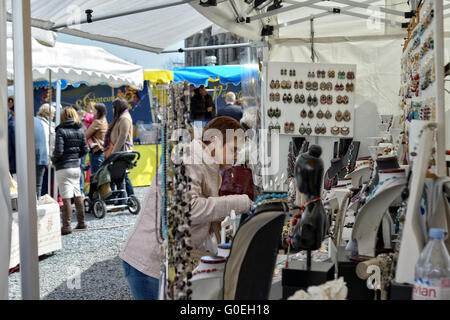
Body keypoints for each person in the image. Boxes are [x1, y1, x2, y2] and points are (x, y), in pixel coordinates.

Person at [119, 116, 252, 300]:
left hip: (164, 261)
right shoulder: (188, 160)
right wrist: (240, 202)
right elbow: (190, 209)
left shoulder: (204, 163)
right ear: (215, 141)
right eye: (233, 149)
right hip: (150, 264)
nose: (236, 156)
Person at [52, 107, 89, 235]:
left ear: (62, 117)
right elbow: (85, 149)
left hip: (64, 167)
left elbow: (58, 151)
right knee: (77, 194)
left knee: (66, 197)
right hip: (76, 167)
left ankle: (67, 226)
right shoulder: (80, 130)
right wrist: (75, 157)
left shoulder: (61, 130)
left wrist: (53, 159)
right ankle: (82, 222)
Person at [7, 104, 49, 198]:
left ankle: (27, 211)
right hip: (41, 158)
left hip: (28, 159)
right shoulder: (38, 121)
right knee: (37, 188)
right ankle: (35, 207)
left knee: (22, 189)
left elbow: (15, 143)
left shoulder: (17, 122)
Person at [107, 98, 135, 200]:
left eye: (114, 107)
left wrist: (114, 152)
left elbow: (122, 137)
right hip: (120, 151)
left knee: (120, 176)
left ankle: (122, 200)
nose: (112, 110)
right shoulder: (121, 117)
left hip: (122, 151)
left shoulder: (125, 118)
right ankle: (130, 198)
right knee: (123, 176)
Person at [36, 103, 56, 196]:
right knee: (42, 185)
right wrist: (50, 159)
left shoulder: (35, 122)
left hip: (35, 157)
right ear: (47, 113)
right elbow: (50, 144)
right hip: (45, 158)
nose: (54, 116)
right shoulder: (47, 126)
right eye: (52, 113)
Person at [85, 103, 108, 177]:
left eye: (94, 110)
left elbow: (86, 135)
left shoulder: (97, 122)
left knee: (96, 176)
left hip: (97, 150)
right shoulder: (104, 119)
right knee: (100, 175)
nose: (92, 111)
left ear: (98, 111)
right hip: (102, 149)